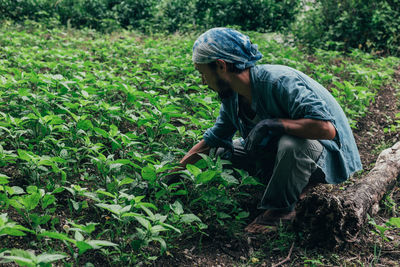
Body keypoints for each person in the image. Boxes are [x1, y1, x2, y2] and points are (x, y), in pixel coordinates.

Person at [179, 27, 362, 233]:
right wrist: (174, 172)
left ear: (221, 66)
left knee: (291, 143)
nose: (203, 81)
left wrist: (275, 124)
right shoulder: (231, 98)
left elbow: (326, 130)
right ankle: (285, 185)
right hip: (281, 156)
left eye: (203, 73)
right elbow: (214, 139)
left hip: (325, 155)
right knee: (220, 152)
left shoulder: (278, 81)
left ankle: (280, 211)